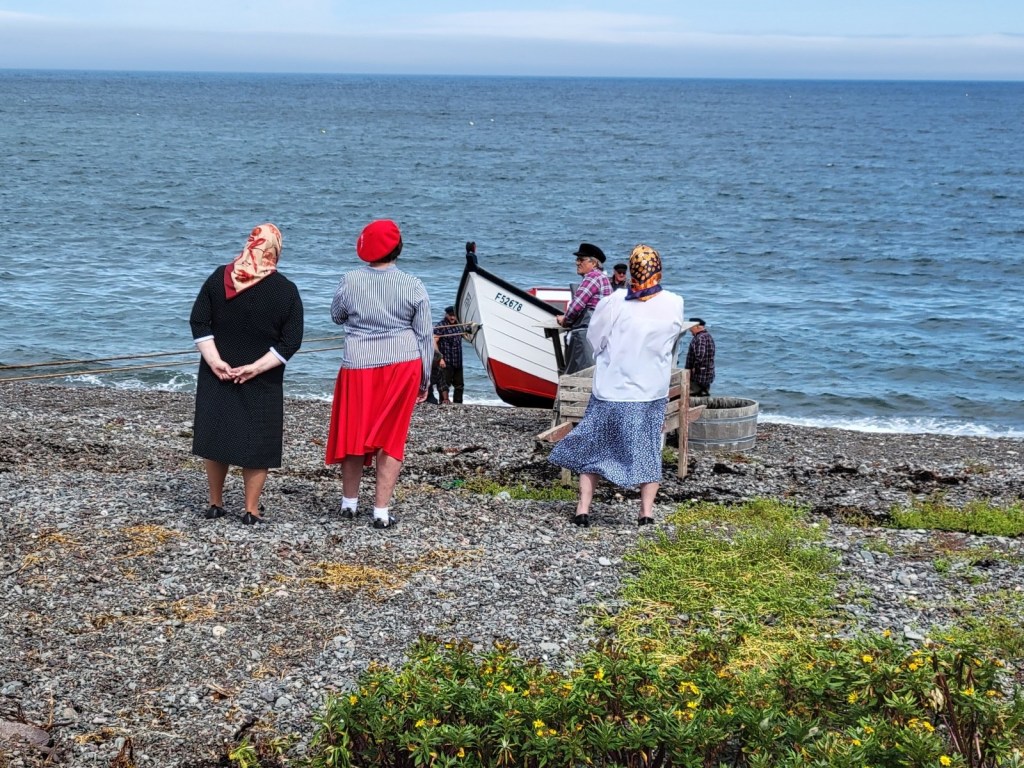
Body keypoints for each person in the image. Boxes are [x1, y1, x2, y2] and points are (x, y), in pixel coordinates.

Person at [549, 244, 685, 528]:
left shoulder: (614, 302)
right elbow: (671, 339)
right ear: (659, 271)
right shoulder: (674, 302)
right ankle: (645, 513)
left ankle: (583, 509)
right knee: (648, 449)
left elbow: (595, 339)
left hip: (611, 388)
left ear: (631, 271)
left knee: (595, 446)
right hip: (650, 391)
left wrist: (614, 355)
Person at [190, 223, 304, 525]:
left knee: (217, 436)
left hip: (219, 373)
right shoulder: (286, 290)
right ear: (275, 249)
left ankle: (215, 503)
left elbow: (199, 321)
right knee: (258, 443)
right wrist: (256, 367)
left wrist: (215, 361)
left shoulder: (220, 277)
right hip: (262, 378)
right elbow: (291, 341)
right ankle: (251, 510)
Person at [325, 219, 433, 529]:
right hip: (402, 364)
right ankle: (381, 511)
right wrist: (425, 379)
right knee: (391, 437)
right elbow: (424, 335)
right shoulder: (413, 284)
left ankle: (349, 503)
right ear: (398, 248)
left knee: (353, 432)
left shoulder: (350, 280)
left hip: (358, 364)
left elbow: (336, 316)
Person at [555, 242, 612, 374]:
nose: (577, 263)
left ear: (594, 263)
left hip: (586, 337)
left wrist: (565, 320)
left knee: (578, 376)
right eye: (577, 259)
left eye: (581, 259)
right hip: (599, 336)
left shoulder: (592, 277)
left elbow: (576, 306)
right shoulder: (603, 278)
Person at [433, 305, 465, 404]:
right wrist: (440, 358)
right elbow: (433, 342)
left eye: (454, 315)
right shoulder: (441, 326)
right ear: (446, 314)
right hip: (446, 361)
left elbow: (466, 336)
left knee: (459, 385)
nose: (452, 317)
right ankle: (443, 403)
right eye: (450, 315)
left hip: (458, 361)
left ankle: (458, 404)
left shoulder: (459, 325)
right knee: (444, 385)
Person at [685, 318, 716, 397]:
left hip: (699, 375)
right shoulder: (708, 336)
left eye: (691, 328)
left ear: (696, 326)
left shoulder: (700, 338)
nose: (689, 330)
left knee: (691, 394)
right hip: (707, 374)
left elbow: (700, 355)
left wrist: (694, 368)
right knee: (703, 395)